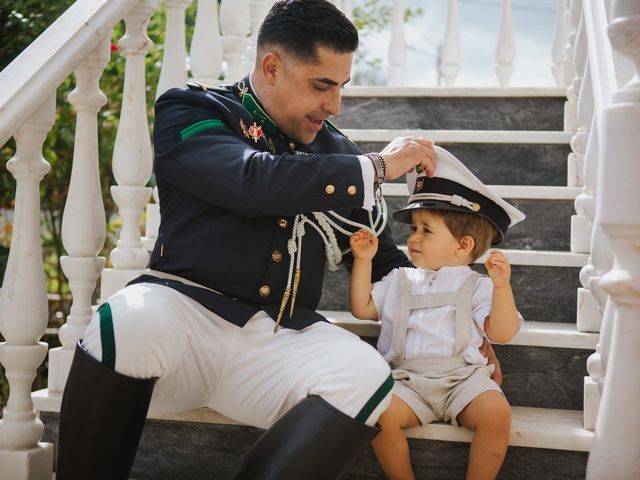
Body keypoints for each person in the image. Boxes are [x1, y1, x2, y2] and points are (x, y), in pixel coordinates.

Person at [55, 1, 440, 479]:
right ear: (272, 67)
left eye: (341, 87)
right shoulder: (194, 108)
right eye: (321, 85)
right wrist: (378, 166)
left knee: (366, 377)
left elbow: (384, 260)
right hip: (183, 323)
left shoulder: (338, 154)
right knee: (128, 322)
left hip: (280, 341)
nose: (334, 105)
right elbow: (250, 180)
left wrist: (447, 319)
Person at [349, 146, 526, 480]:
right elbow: (363, 308)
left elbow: (501, 334)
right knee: (378, 416)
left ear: (464, 245)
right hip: (407, 379)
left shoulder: (477, 285)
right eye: (413, 229)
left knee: (496, 413)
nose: (413, 238)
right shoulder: (398, 278)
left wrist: (502, 288)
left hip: (463, 379)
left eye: (425, 230)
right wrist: (363, 262)